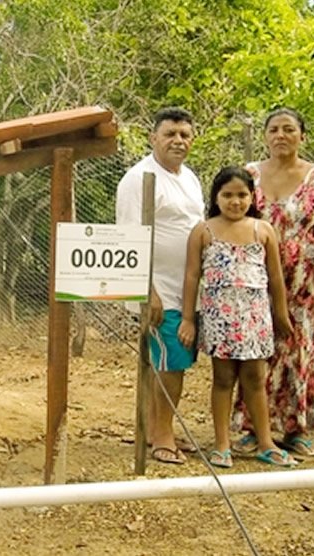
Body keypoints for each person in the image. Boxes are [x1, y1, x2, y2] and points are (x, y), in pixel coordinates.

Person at [232, 108, 314, 458]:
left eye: (289, 129)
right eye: (274, 130)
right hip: (255, 280)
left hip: (304, 285)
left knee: (300, 351)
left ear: (302, 136)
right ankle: (253, 426)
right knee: (256, 350)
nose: (281, 135)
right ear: (265, 136)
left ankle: (297, 429)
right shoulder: (250, 174)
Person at [177, 167, 296, 467]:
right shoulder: (203, 231)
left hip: (255, 318)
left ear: (252, 197)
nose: (235, 201)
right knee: (223, 378)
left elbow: (276, 277)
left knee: (255, 378)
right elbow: (191, 276)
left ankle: (265, 442)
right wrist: (188, 318)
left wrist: (281, 313)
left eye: (242, 194)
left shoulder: (263, 230)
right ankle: (222, 444)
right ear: (216, 197)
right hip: (219, 318)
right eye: (227, 195)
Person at [116, 107, 204, 465]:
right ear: (153, 138)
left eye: (184, 135)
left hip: (187, 291)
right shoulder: (138, 179)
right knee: (171, 363)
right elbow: (127, 235)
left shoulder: (190, 178)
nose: (177, 141)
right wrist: (146, 291)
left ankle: (155, 428)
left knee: (168, 361)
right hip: (158, 292)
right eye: (170, 134)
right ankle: (163, 437)